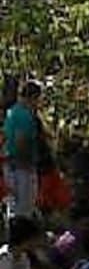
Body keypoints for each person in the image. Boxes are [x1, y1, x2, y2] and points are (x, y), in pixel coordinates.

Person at [4, 81, 42, 221]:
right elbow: (22, 141)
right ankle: (21, 238)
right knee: (24, 209)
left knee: (13, 207)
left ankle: (12, 237)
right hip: (22, 167)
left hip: (9, 165)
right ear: (33, 97)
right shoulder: (26, 116)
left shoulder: (12, 111)